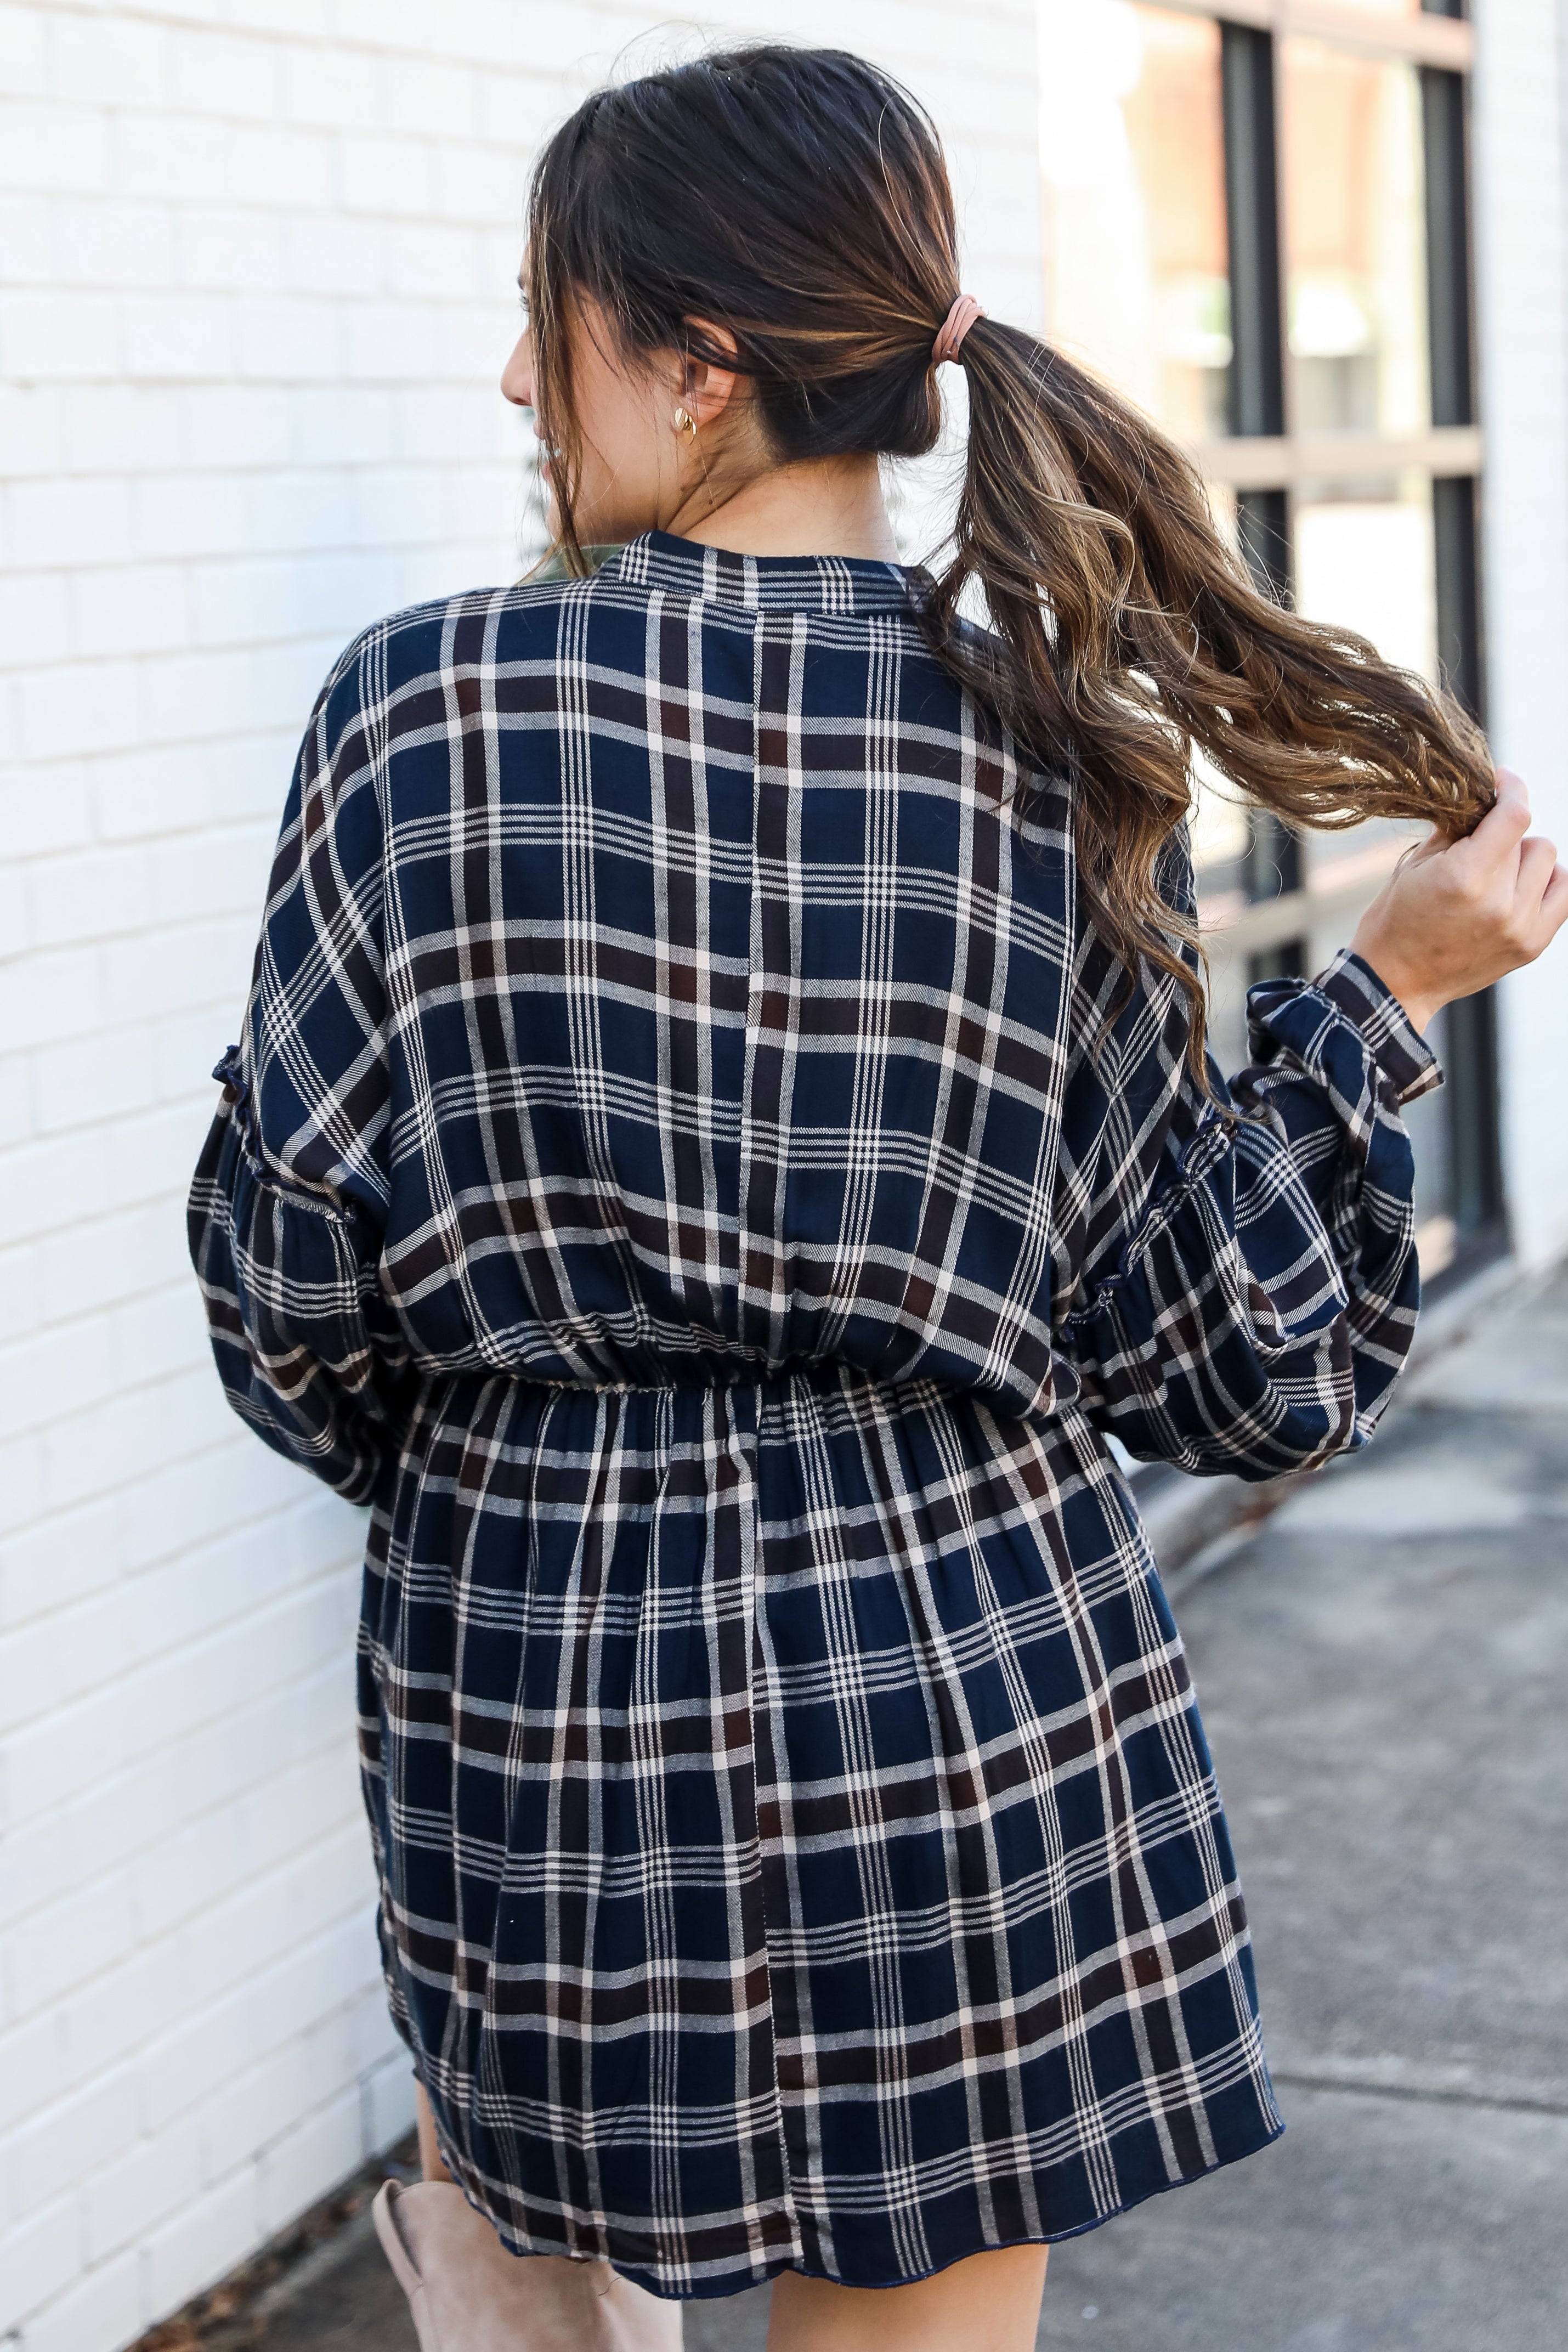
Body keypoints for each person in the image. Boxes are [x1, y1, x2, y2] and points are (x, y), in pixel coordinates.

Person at [188, 44, 1566, 2352]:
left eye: (556, 311)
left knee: (527, 2303)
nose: (517, 370)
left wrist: (504, 1466)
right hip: (965, 1662)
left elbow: (283, 1276)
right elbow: (1226, 1355)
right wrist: (1381, 1002)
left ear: (703, 372)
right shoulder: (1059, 748)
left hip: (538, 1671)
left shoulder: (418, 712)